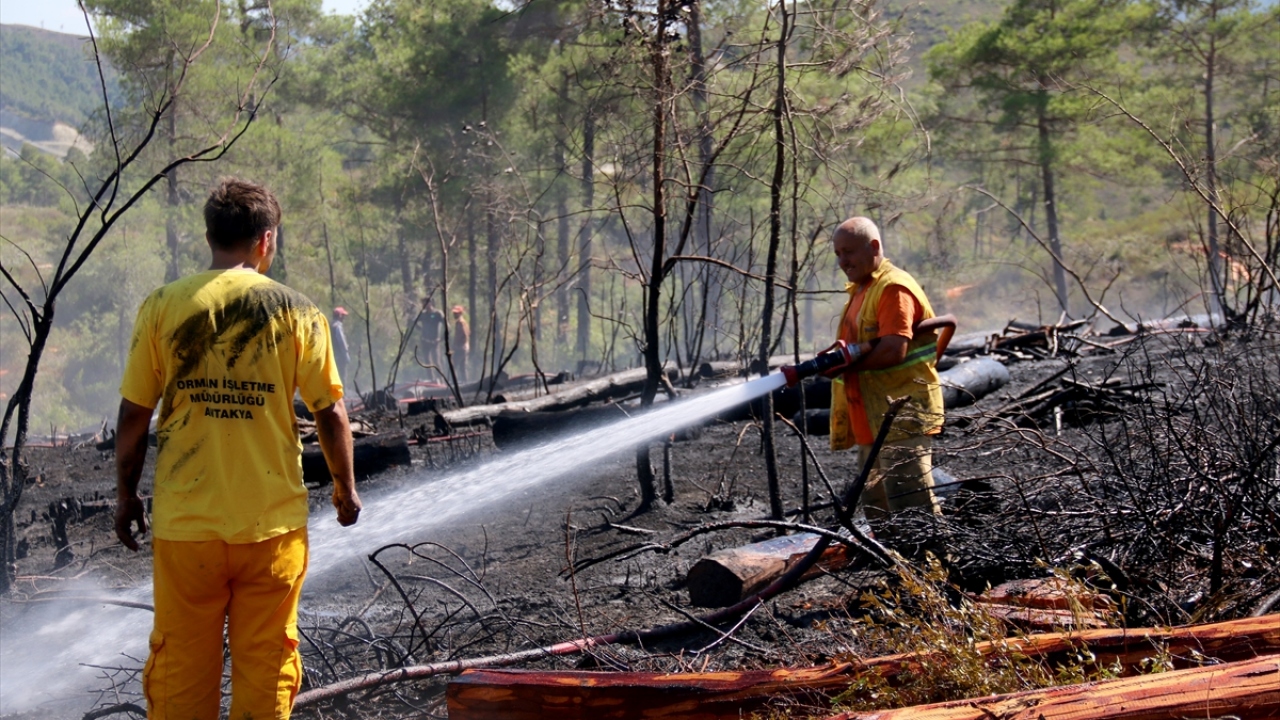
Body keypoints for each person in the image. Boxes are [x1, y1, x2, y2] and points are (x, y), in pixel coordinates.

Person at [114, 177, 362, 720]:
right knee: (268, 667)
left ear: (209, 236)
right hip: (271, 531)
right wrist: (345, 489)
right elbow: (330, 411)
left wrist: (126, 497)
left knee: (179, 671)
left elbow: (134, 415)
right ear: (265, 240)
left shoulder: (163, 306)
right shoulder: (296, 311)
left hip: (187, 530)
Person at [827, 216, 944, 552]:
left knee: (912, 507)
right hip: (872, 425)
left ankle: (937, 587)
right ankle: (902, 582)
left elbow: (894, 349)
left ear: (874, 247)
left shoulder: (892, 287)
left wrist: (844, 363)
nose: (842, 261)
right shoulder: (862, 291)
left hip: (901, 420)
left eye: (848, 252)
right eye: (837, 254)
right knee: (881, 513)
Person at [419, 297, 445, 373]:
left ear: (430, 303)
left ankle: (441, 380)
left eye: (426, 303)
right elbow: (413, 323)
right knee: (427, 362)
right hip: (425, 341)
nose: (424, 305)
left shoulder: (437, 314)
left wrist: (441, 339)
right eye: (423, 303)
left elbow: (447, 327)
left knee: (436, 362)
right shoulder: (423, 314)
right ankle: (432, 379)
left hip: (435, 341)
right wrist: (421, 329)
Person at [451, 305, 470, 383]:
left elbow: (465, 334)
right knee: (462, 367)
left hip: (461, 348)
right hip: (463, 347)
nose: (454, 315)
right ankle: (465, 382)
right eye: (454, 313)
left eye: (456, 313)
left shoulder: (461, 323)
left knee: (454, 366)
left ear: (460, 313)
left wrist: (458, 345)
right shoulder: (460, 322)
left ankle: (454, 383)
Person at [332, 306, 350, 385]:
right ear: (339, 316)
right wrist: (346, 353)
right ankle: (343, 394)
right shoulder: (338, 326)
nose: (344, 318)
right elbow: (342, 341)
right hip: (340, 355)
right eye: (343, 316)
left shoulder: (331, 325)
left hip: (332, 355)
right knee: (342, 374)